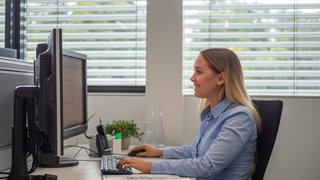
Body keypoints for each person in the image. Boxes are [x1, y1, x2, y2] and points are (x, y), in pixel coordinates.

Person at [117, 48, 262, 179]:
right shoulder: (210, 114)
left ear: (220, 78)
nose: (192, 78)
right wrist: (160, 152)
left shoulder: (239, 118)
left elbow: (207, 166)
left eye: (199, 71)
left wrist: (150, 166)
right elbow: (196, 151)